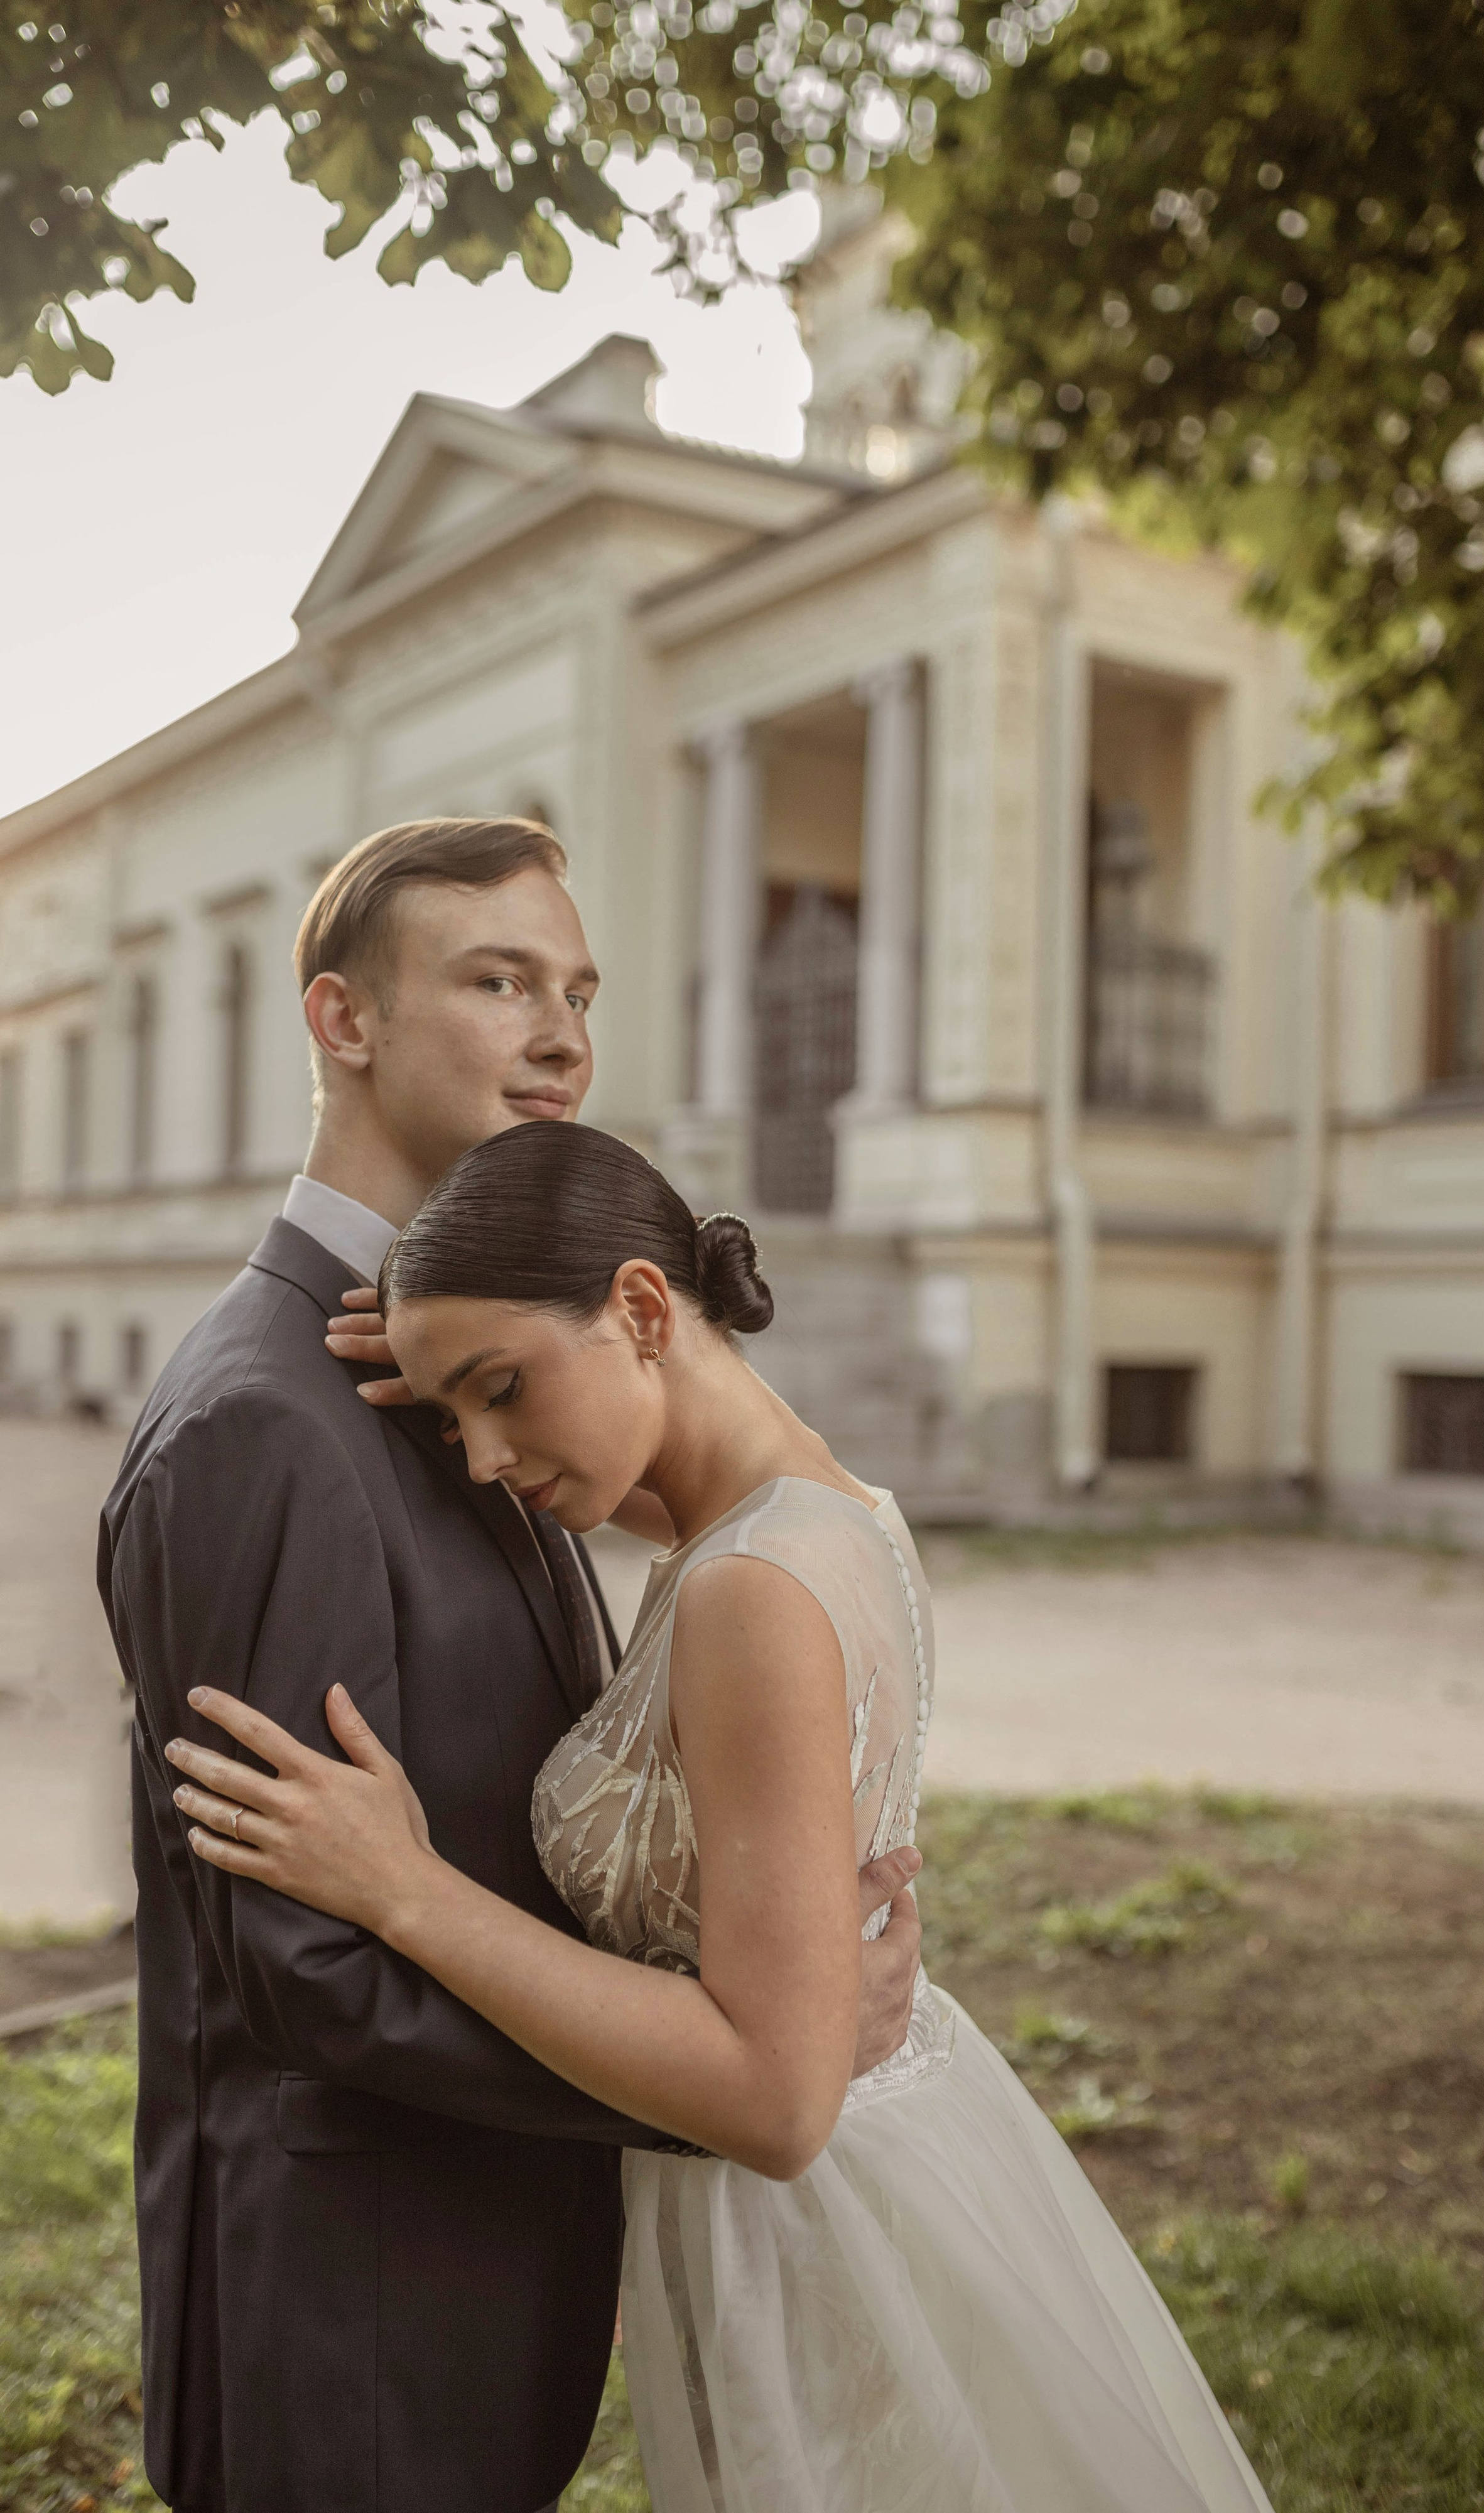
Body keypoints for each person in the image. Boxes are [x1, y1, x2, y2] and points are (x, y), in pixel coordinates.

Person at [164, 1119, 1277, 2513]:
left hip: (818, 2245)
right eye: (454, 1418)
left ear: (640, 1306)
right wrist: (462, 1350)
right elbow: (657, 1492)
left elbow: (773, 2097)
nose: (484, 1457)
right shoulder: (820, 1505)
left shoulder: (751, 1593)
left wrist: (405, 1889)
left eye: (502, 1390)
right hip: (900, 2161)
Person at [97, 818, 922, 2513]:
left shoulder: (468, 1379)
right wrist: (735, 2074)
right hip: (354, 2316)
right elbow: (302, 1971)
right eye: (497, 981)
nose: (565, 1035)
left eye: (579, 990)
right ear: (343, 1021)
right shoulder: (267, 1422)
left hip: (494, 2278)